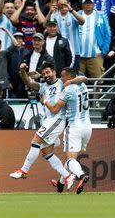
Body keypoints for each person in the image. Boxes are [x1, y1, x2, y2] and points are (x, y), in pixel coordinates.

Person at [9, 62, 77, 190]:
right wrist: (23, 71)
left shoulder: (63, 83)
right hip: (49, 120)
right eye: (44, 73)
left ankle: (23, 171)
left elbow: (77, 78)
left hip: (57, 119)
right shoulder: (43, 87)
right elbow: (29, 83)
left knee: (36, 141)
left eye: (48, 72)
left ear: (54, 72)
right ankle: (67, 176)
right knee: (46, 152)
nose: (46, 75)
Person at [42, 67, 93, 194]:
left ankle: (81, 175)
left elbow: (54, 109)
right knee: (71, 159)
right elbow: (84, 78)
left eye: (62, 76)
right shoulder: (83, 86)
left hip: (74, 127)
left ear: (69, 78)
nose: (61, 79)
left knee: (71, 160)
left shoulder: (68, 90)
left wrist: (45, 101)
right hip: (87, 127)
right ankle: (60, 184)